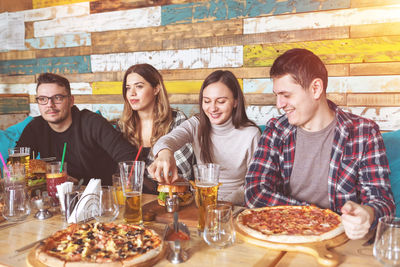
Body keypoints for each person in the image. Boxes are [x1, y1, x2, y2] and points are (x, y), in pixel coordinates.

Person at [245, 48, 395, 239]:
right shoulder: (276, 130)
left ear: (316, 88)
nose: (279, 104)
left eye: (286, 95)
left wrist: (368, 213)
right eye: (277, 95)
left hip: (341, 241)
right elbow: (255, 192)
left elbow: (382, 202)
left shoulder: (364, 132)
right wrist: (314, 216)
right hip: (283, 235)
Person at [148, 70, 261, 205]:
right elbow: (168, 140)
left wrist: (219, 206)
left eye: (221, 101)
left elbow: (254, 185)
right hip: (201, 204)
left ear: (235, 102)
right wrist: (165, 154)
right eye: (207, 101)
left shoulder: (251, 134)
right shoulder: (197, 124)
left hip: (235, 207)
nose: (212, 108)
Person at [16, 73, 139, 185]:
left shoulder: (92, 123)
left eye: (57, 98)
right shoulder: (36, 127)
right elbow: (17, 165)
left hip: (99, 195)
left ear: (71, 101)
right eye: (43, 99)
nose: (50, 105)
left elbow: (129, 157)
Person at [118, 63, 194, 194]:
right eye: (128, 88)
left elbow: (182, 177)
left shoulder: (176, 120)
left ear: (156, 89)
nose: (132, 93)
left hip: (168, 202)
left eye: (139, 86)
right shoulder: (123, 126)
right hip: (133, 202)